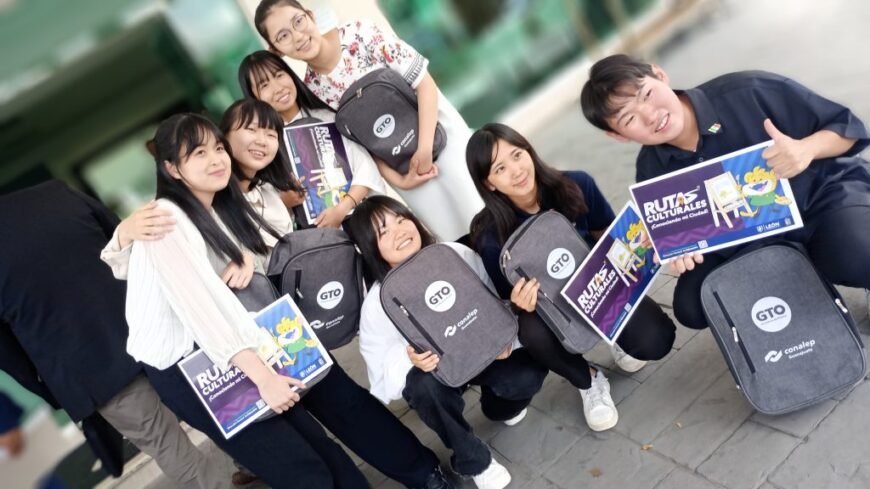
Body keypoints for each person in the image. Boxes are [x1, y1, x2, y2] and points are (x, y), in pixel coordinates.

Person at [102, 112, 451, 489]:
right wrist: (263, 377)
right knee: (299, 460)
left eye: (218, 148)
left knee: (340, 402)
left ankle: (424, 473)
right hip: (194, 363)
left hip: (254, 325)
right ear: (172, 168)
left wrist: (245, 256)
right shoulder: (166, 219)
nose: (216, 159)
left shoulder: (222, 200)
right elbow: (202, 310)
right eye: (199, 153)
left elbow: (266, 252)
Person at [580, 54, 870, 329]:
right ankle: (795, 300)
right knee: (694, 305)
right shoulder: (651, 172)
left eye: (646, 94)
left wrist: (806, 149)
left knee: (855, 253)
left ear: (659, 74)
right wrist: (681, 250)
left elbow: (849, 129)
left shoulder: (749, 91)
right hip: (748, 243)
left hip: (821, 199)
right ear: (618, 136)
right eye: (629, 119)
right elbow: (686, 237)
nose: (650, 115)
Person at [0, 181, 226, 489]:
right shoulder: (52, 193)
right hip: (155, 325)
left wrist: (51, 390)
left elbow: (7, 353)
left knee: (166, 445)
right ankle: (257, 469)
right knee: (223, 408)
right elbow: (126, 242)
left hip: (90, 371)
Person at [466, 123, 676, 431]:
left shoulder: (575, 184)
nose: (516, 170)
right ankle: (587, 380)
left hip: (601, 291)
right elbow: (505, 299)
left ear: (528, 151)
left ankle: (616, 335)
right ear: (490, 183)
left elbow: (606, 233)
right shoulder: (489, 235)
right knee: (529, 327)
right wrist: (518, 303)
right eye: (500, 168)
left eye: (517, 155)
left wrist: (635, 243)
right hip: (553, 313)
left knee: (656, 341)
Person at [345, 195, 549, 489]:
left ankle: (498, 408)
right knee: (423, 388)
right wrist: (410, 358)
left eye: (401, 220)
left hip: (484, 355)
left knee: (526, 374)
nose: (400, 232)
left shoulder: (455, 254)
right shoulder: (378, 302)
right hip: (438, 373)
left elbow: (491, 300)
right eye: (383, 232)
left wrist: (502, 331)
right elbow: (380, 376)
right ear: (370, 248)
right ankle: (474, 459)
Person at [252, 0, 484, 241]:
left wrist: (424, 149)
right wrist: (401, 181)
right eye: (283, 36)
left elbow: (424, 84)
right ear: (276, 50)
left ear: (310, 16)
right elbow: (363, 145)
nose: (297, 36)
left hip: (441, 136)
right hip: (406, 169)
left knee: (486, 212)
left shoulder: (360, 33)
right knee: (457, 238)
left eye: (298, 21)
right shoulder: (314, 89)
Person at [236, 50, 386, 229]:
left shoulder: (327, 117)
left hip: (364, 221)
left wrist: (341, 209)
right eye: (264, 85)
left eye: (279, 75)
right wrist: (285, 202)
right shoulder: (265, 146)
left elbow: (365, 169)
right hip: (320, 237)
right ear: (254, 97)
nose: (278, 88)